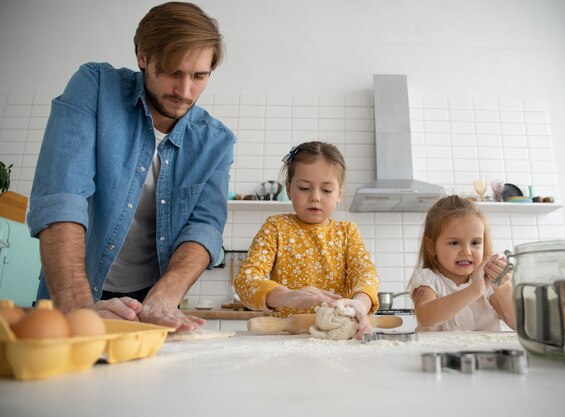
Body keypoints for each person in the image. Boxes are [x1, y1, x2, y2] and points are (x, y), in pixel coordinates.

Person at [26, 2, 235, 332]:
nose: (185, 91)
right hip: (72, 295)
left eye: (199, 76)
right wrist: (79, 308)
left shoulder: (216, 141)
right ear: (142, 56)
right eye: (172, 72)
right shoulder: (95, 87)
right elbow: (62, 196)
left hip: (146, 306)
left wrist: (164, 297)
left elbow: (204, 228)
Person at [234, 141, 379, 339]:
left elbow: (365, 274)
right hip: (284, 339)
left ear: (339, 194)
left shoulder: (348, 233)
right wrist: (286, 296)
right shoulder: (276, 228)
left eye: (326, 190)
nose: (315, 197)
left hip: (337, 340)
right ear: (289, 188)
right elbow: (246, 280)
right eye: (304, 188)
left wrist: (360, 303)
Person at [408, 195, 515, 331]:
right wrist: (474, 291)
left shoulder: (487, 283)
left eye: (475, 243)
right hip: (438, 352)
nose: (466, 252)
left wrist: (503, 287)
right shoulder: (427, 279)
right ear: (432, 247)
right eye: (454, 243)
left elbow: (519, 325)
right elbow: (426, 317)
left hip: (485, 352)